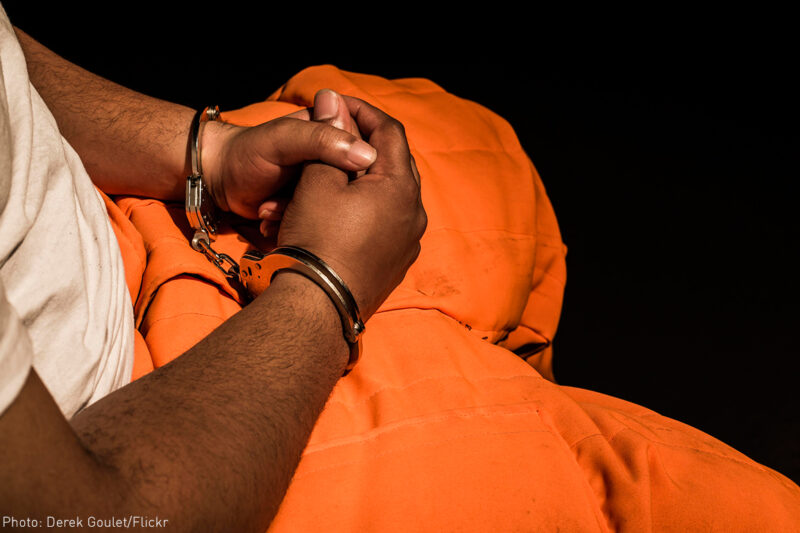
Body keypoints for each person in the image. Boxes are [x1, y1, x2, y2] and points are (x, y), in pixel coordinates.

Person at [2, 5, 799, 532]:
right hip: (158, 447)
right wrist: (325, 283)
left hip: (125, 224)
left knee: (487, 158)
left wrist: (206, 150)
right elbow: (90, 515)